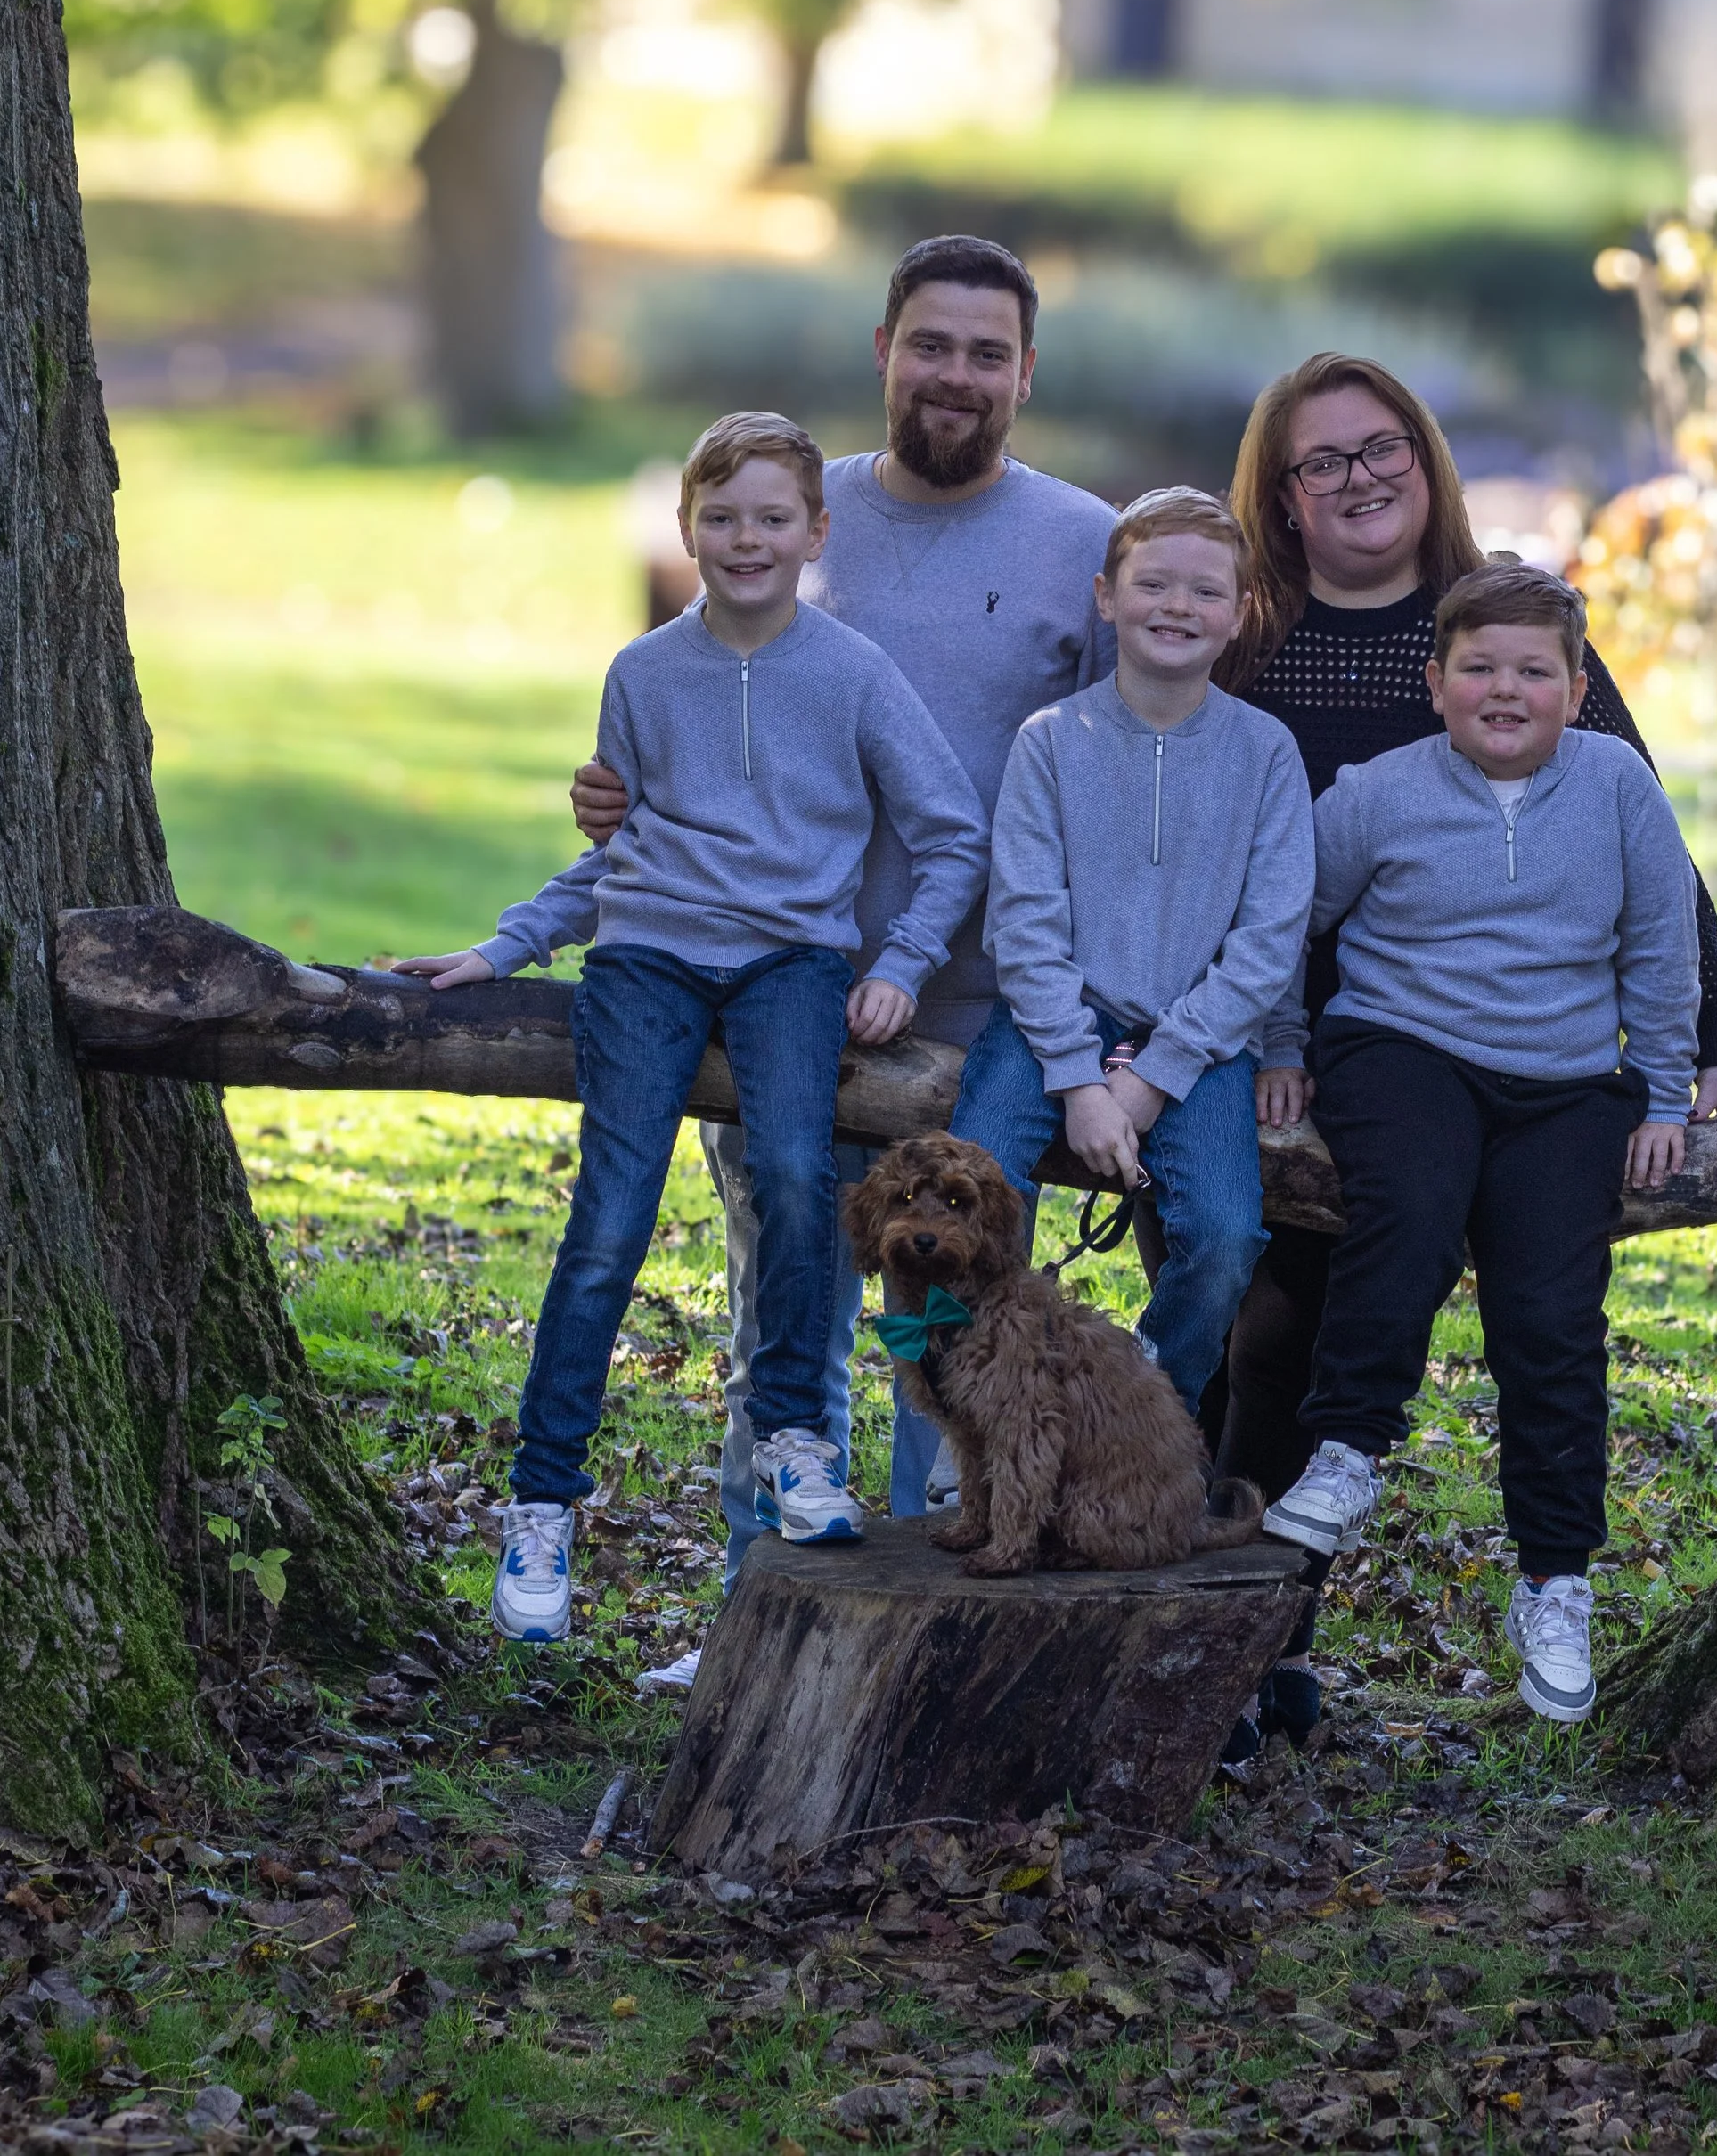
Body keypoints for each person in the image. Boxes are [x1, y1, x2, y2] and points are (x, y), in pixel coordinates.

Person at [566, 240, 1118, 1667]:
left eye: (987, 352)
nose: (956, 373)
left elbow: (1121, 773)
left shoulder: (1081, 541)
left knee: (961, 1337)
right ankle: (764, 1617)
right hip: (784, 984)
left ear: (1026, 372)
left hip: (989, 1012)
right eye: (931, 343)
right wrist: (614, 797)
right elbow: (690, 701)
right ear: (884, 346)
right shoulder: (801, 513)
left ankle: (914, 1622)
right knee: (790, 1307)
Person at [1208, 350, 1717, 1749]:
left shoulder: (1516, 629)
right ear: (1280, 493)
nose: (1359, 476)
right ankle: (1224, 1648)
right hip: (1304, 1051)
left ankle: (1294, 1646)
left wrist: (1713, 1039)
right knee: (1253, 1345)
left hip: (1523, 1062)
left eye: (1382, 444)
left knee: (1501, 1316)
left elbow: (1654, 876)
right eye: (1321, 459)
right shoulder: (1241, 640)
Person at [395, 411, 987, 1644]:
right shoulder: (644, 671)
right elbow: (613, 854)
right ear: (686, 528)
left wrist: (900, 964)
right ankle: (544, 1502)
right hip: (647, 958)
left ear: (818, 531)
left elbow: (952, 835)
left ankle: (793, 1441)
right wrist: (506, 944)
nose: (747, 538)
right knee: (609, 1221)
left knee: (790, 1172)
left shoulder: (856, 673)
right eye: (722, 516)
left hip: (794, 963)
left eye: (774, 517)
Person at [1261, 561, 1698, 1726]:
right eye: (1480, 666)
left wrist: (1661, 1094)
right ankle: (1349, 1446)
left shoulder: (1617, 787)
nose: (1506, 689)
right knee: (1407, 1205)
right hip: (1402, 1045)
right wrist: (1281, 1040)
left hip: (1563, 1082)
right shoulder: (1375, 791)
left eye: (1534, 669)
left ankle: (1555, 1575)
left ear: (1577, 685)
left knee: (1551, 1315)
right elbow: (1287, 917)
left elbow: (1660, 946)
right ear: (1437, 678)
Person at [950, 487, 1314, 1414]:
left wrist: (1155, 1076)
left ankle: (1135, 1405)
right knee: (962, 1200)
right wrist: (1078, 1079)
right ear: (1105, 596)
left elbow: (1269, 937)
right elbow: (1023, 924)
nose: (1176, 607)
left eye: (1203, 592)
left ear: (1238, 614)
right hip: (1047, 1024)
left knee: (1228, 1237)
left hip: (1199, 1037)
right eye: (1151, 584)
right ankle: (972, 1402)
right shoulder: (1050, 743)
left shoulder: (1266, 753)